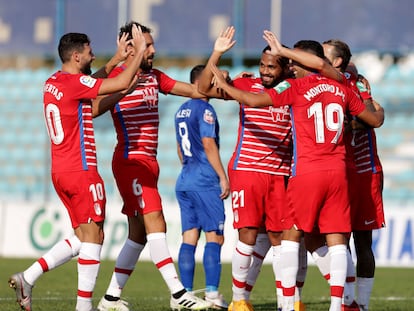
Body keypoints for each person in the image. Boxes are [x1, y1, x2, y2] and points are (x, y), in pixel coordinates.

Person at [208, 30, 384, 311]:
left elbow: (253, 101)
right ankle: (340, 304)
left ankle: (287, 305)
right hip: (338, 172)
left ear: (307, 63)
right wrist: (376, 110)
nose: (291, 67)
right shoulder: (344, 88)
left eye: (294, 62)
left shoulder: (297, 87)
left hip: (307, 171)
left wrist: (226, 86)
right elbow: (374, 120)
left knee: (290, 234)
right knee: (338, 240)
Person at [8, 25, 146, 311]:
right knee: (94, 237)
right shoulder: (74, 84)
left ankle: (28, 277)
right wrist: (138, 52)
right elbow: (117, 85)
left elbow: (90, 98)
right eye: (89, 52)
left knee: (84, 236)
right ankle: (84, 307)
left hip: (60, 172)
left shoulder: (55, 82)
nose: (93, 55)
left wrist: (115, 60)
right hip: (81, 170)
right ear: (75, 56)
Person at [94, 21, 216, 311]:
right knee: (156, 222)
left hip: (149, 162)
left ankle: (110, 298)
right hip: (131, 160)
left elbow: (197, 91)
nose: (154, 50)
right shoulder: (117, 77)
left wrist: (224, 81)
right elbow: (94, 108)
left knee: (138, 234)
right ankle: (178, 294)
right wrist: (123, 90)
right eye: (147, 45)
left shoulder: (154, 77)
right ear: (130, 48)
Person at [198, 26, 307, 311]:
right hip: (247, 170)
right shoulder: (246, 85)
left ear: (284, 68)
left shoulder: (293, 90)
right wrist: (217, 52)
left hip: (281, 174)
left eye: (271, 66)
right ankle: (239, 300)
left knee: (280, 238)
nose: (265, 71)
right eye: (261, 65)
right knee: (247, 233)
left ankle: (290, 300)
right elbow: (202, 87)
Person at [323, 39, 385, 311]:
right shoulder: (325, 85)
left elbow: (371, 118)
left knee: (361, 240)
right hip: (337, 170)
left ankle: (362, 304)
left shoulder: (356, 84)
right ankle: (346, 300)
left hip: (364, 171)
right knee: (337, 239)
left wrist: (350, 121)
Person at [174, 64, 230, 309]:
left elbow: (179, 148)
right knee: (214, 237)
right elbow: (208, 143)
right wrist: (222, 176)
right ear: (201, 82)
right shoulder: (205, 109)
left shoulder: (180, 110)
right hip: (205, 180)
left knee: (189, 237)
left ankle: (183, 295)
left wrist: (190, 169)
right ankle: (212, 294)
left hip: (185, 178)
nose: (219, 85)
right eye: (216, 80)